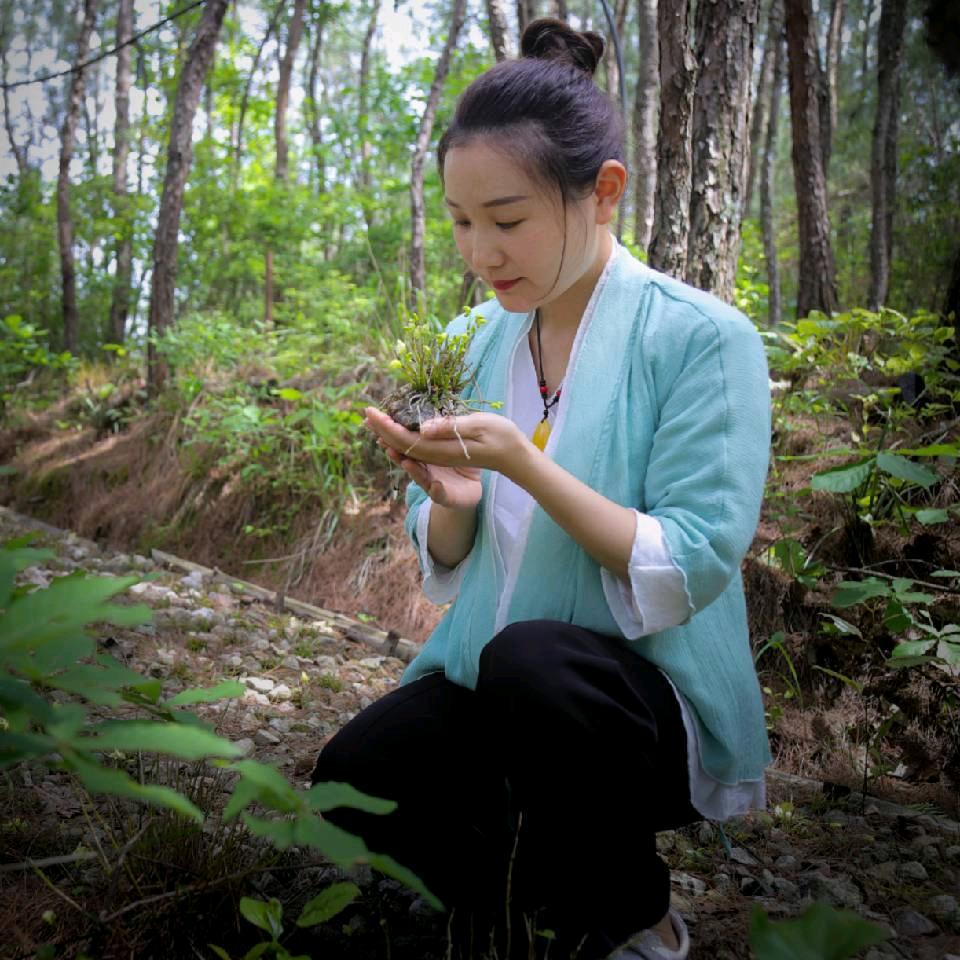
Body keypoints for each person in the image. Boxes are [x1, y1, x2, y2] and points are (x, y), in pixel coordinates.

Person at [312, 18, 771, 960]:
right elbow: (445, 552)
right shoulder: (481, 337)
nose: (482, 251)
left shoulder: (698, 339)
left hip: (626, 709)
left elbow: (692, 558)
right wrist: (456, 499)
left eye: (508, 219)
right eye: (462, 222)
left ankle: (640, 916)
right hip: (501, 683)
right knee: (348, 780)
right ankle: (523, 905)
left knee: (536, 663)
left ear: (602, 193)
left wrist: (525, 463)